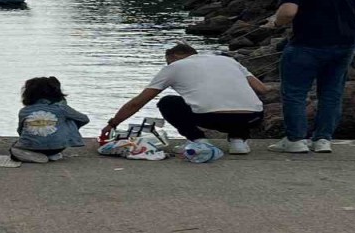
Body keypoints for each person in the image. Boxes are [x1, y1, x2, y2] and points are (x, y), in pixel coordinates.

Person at [266, 0, 355, 154]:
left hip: (307, 44)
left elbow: (288, 12)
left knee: (295, 93)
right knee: (331, 93)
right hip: (344, 46)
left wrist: (275, 22)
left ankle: (296, 140)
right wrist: (353, 28)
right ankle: (323, 140)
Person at [100, 43, 268, 155]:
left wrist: (113, 123)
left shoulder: (174, 67)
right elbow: (262, 89)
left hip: (211, 118)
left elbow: (138, 102)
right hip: (252, 117)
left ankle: (199, 141)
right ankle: (238, 142)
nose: (167, 65)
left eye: (167, 62)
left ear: (174, 57)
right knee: (240, 102)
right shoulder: (228, 61)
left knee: (168, 102)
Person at [11, 76, 88, 163]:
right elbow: (84, 119)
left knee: (14, 149)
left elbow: (20, 130)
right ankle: (51, 155)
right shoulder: (62, 108)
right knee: (70, 119)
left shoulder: (24, 111)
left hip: (31, 146)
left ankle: (37, 157)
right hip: (58, 147)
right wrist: (65, 129)